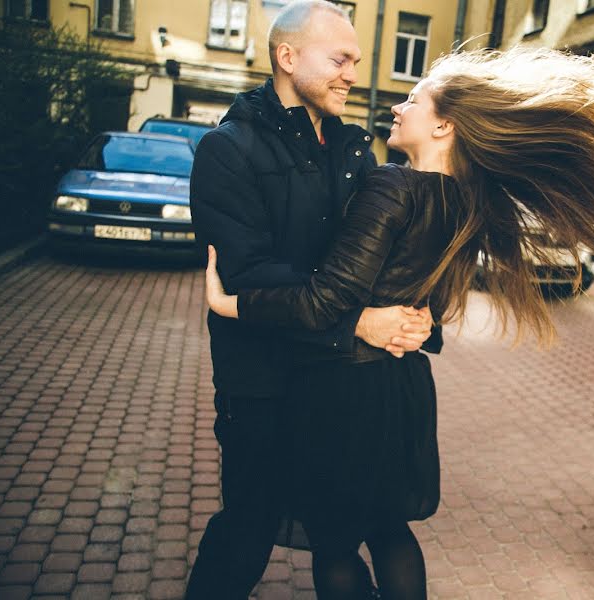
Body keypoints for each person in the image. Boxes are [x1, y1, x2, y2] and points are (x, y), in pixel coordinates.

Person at [205, 46, 594, 598]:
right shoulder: (464, 204)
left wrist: (235, 304)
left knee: (336, 542)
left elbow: (327, 299)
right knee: (389, 529)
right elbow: (427, 305)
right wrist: (416, 323)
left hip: (344, 389)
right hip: (404, 385)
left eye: (413, 99)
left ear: (443, 124)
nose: (397, 106)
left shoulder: (393, 187)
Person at [184, 2, 438, 599]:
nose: (353, 72)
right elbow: (249, 278)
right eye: (340, 59)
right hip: (263, 380)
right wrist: (359, 324)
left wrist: (412, 317)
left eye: (355, 60)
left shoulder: (353, 151)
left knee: (344, 525)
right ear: (287, 57)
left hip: (333, 385)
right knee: (251, 522)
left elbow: (372, 262)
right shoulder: (228, 150)